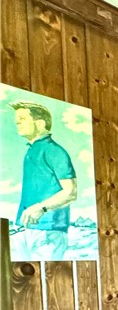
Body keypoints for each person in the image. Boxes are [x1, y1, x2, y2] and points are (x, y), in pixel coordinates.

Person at [11, 100, 77, 260]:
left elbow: (71, 192)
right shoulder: (32, 150)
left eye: (22, 118)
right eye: (17, 119)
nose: (17, 122)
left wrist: (41, 208)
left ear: (40, 123)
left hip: (49, 230)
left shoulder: (54, 151)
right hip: (25, 229)